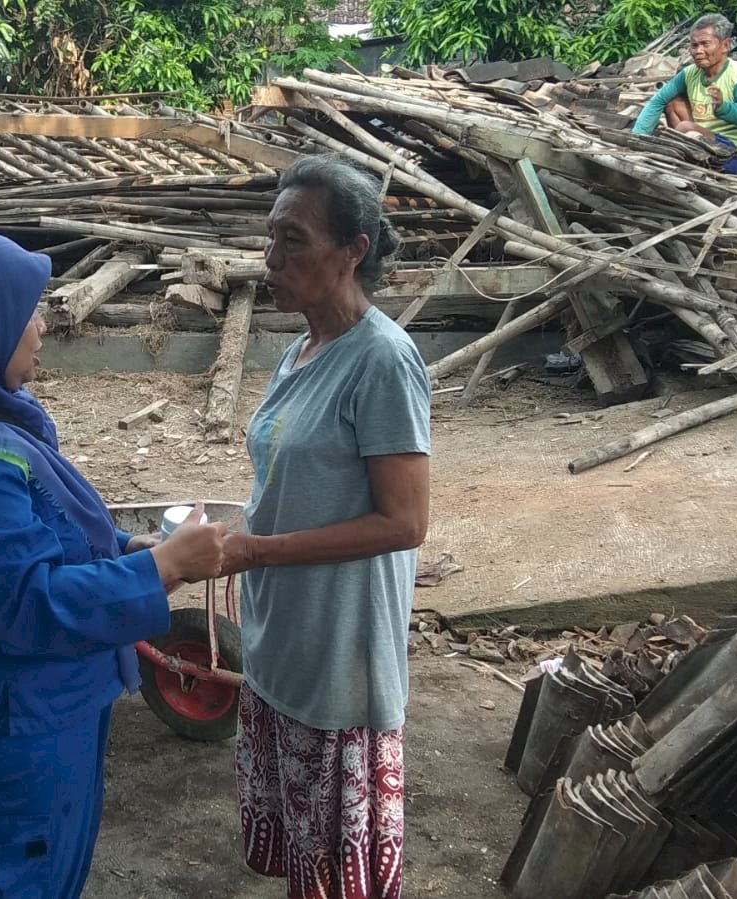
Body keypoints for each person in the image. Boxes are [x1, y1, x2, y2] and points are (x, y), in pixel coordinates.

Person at [0, 229, 228, 898]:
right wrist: (158, 570)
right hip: (18, 716)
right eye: (24, 311)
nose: (40, 325)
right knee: (13, 875)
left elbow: (48, 534)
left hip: (45, 703)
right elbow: (23, 603)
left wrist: (130, 551)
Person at [220, 155, 432, 899]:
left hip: (339, 648)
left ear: (354, 251)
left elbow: (403, 522)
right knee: (303, 862)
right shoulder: (299, 350)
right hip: (285, 634)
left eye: (293, 240)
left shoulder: (382, 360)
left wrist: (257, 549)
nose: (271, 260)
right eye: (269, 239)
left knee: (336, 875)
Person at [631, 13, 737, 174]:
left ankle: (685, 156)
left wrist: (724, 108)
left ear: (725, 45)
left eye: (705, 44)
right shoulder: (690, 73)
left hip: (735, 153)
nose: (698, 51)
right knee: (672, 102)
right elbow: (658, 100)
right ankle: (686, 154)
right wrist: (637, 138)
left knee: (684, 127)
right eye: (694, 45)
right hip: (703, 140)